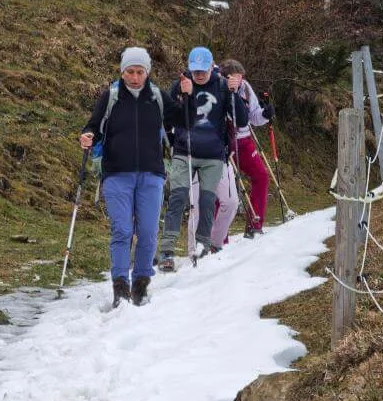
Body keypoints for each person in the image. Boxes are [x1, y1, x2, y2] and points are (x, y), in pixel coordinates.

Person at [79, 46, 168, 307]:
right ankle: (120, 287)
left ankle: (141, 283)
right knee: (122, 230)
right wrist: (87, 136)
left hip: (152, 174)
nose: (135, 77)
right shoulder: (111, 96)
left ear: (147, 72)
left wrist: (186, 97)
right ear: (122, 71)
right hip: (116, 173)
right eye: (130, 71)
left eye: (140, 72)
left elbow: (178, 120)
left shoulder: (158, 97)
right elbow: (93, 125)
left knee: (149, 232)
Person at [157, 46, 247, 271]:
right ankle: (167, 251)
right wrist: (183, 98)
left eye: (202, 70)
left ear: (211, 66)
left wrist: (235, 93)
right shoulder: (180, 84)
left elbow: (242, 121)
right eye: (194, 70)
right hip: (183, 151)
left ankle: (203, 246)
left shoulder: (222, 86)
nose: (198, 75)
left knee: (207, 202)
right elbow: (168, 116)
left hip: (213, 155)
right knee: (178, 198)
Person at [222, 59, 273, 235]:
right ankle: (219, 237)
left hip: (244, 140)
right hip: (225, 141)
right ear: (226, 76)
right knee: (223, 189)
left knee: (261, 175)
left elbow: (254, 116)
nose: (240, 80)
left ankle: (255, 224)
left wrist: (265, 114)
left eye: (241, 76)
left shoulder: (245, 87)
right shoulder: (219, 88)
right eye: (236, 77)